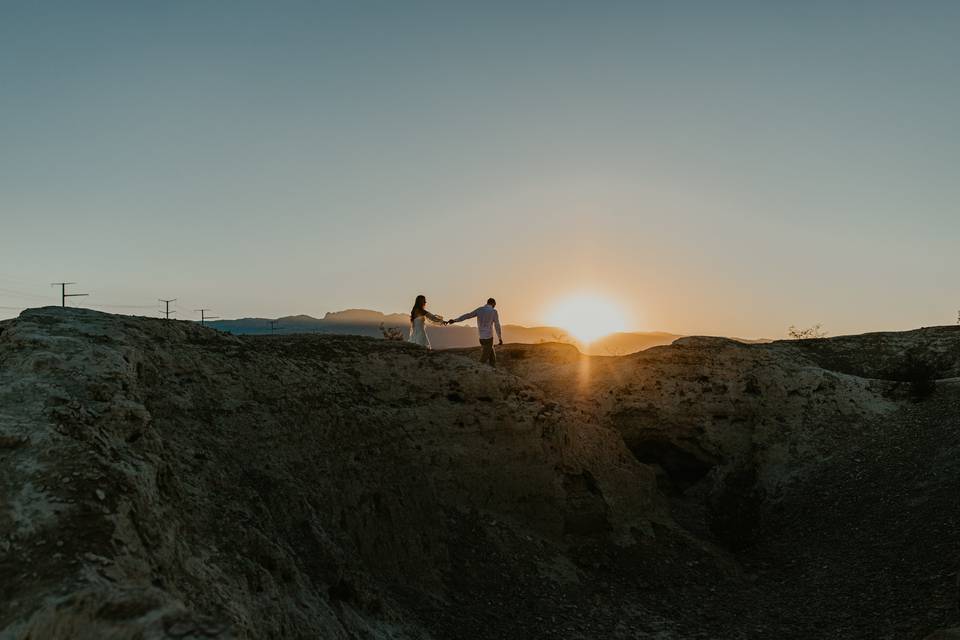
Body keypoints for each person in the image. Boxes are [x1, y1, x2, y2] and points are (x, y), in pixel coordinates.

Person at [448, 298, 502, 367]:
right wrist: (500, 338)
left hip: (481, 338)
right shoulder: (494, 312)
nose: (495, 306)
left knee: (492, 355)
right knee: (484, 359)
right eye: (495, 304)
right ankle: (477, 369)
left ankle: (493, 369)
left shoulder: (479, 309)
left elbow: (468, 315)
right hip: (488, 338)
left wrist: (455, 320)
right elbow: (497, 325)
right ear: (493, 303)